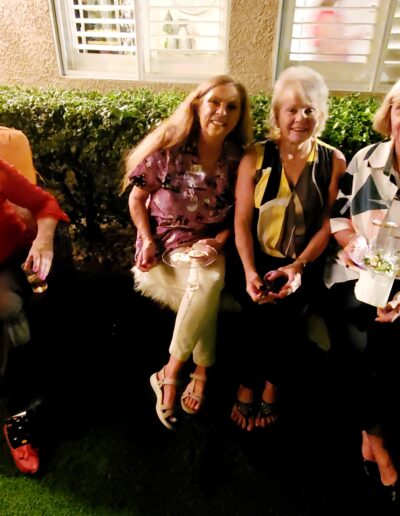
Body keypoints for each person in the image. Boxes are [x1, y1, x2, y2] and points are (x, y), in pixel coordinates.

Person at [122, 75, 253, 430]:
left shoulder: (238, 159)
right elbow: (136, 198)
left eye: (232, 106)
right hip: (166, 243)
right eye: (215, 102)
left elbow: (241, 216)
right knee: (207, 286)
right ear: (198, 105)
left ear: (239, 115)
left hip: (210, 245)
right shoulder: (171, 148)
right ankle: (198, 371)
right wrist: (146, 238)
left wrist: (218, 242)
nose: (222, 112)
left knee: (207, 278)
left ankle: (169, 371)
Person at [230, 66, 346, 431]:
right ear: (277, 114)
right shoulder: (255, 157)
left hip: (306, 259)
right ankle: (248, 383)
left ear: (320, 115)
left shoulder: (333, 161)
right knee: (255, 308)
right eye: (292, 109)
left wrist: (298, 267)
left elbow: (327, 223)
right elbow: (242, 221)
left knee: (291, 312)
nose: (300, 118)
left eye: (309, 109)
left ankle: (270, 386)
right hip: (255, 256)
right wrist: (250, 271)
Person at [323, 79, 400, 497]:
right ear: (390, 115)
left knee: (385, 348)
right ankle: (381, 447)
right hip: (354, 274)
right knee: (353, 344)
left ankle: (368, 436)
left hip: (399, 287)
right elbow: (338, 216)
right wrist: (351, 241)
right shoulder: (365, 159)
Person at [0, 156, 70, 473]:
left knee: (12, 308)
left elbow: (44, 203)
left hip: (8, 261)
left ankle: (20, 414)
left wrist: (43, 239)